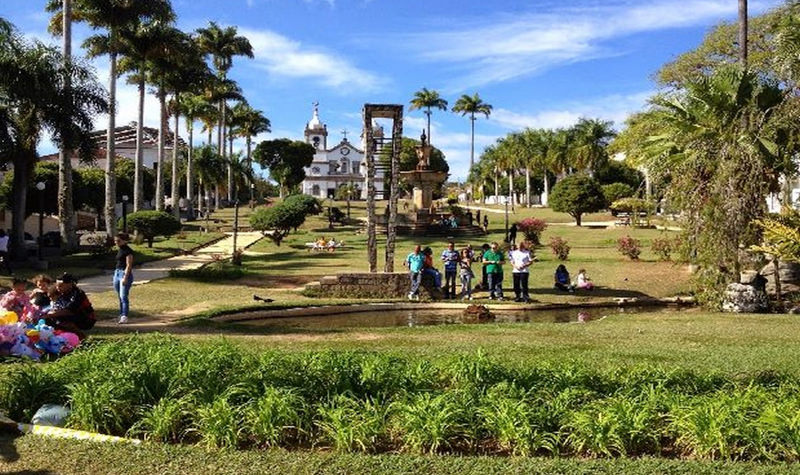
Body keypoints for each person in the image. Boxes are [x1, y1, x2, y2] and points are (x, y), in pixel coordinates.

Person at [114, 233, 134, 324]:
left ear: (125, 241)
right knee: (119, 296)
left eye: (118, 241)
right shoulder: (120, 250)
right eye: (115, 241)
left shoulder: (128, 251)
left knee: (123, 296)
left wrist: (125, 277)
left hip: (124, 274)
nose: (116, 242)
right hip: (117, 273)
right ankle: (121, 314)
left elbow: (129, 265)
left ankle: (124, 316)